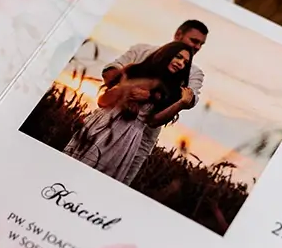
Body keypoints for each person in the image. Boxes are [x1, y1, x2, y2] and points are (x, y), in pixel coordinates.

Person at [64, 42, 193, 184]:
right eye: (178, 57)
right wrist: (127, 93)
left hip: (127, 138)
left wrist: (181, 104)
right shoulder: (135, 70)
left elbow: (153, 121)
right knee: (72, 168)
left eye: (185, 63)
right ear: (166, 54)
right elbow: (102, 101)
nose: (181, 63)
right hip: (103, 124)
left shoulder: (171, 91)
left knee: (97, 180)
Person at [100, 20, 209, 184]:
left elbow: (190, 99)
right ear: (178, 34)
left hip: (142, 138)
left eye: (201, 44)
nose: (197, 47)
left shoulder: (194, 72)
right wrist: (129, 91)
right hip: (108, 123)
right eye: (194, 41)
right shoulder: (142, 50)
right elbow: (110, 72)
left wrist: (154, 96)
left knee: (116, 181)